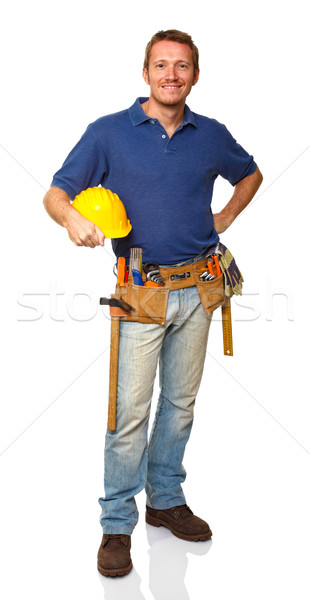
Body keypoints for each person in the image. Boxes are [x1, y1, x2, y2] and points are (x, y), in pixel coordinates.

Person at [43, 29, 263, 577]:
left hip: (201, 287)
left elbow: (250, 174)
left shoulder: (210, 134)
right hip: (138, 290)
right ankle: (117, 525)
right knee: (128, 414)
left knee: (180, 405)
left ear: (194, 75)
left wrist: (224, 218)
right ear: (145, 73)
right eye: (161, 65)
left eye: (182, 66)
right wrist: (72, 218)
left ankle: (164, 501)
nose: (171, 75)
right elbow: (55, 192)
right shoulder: (109, 133)